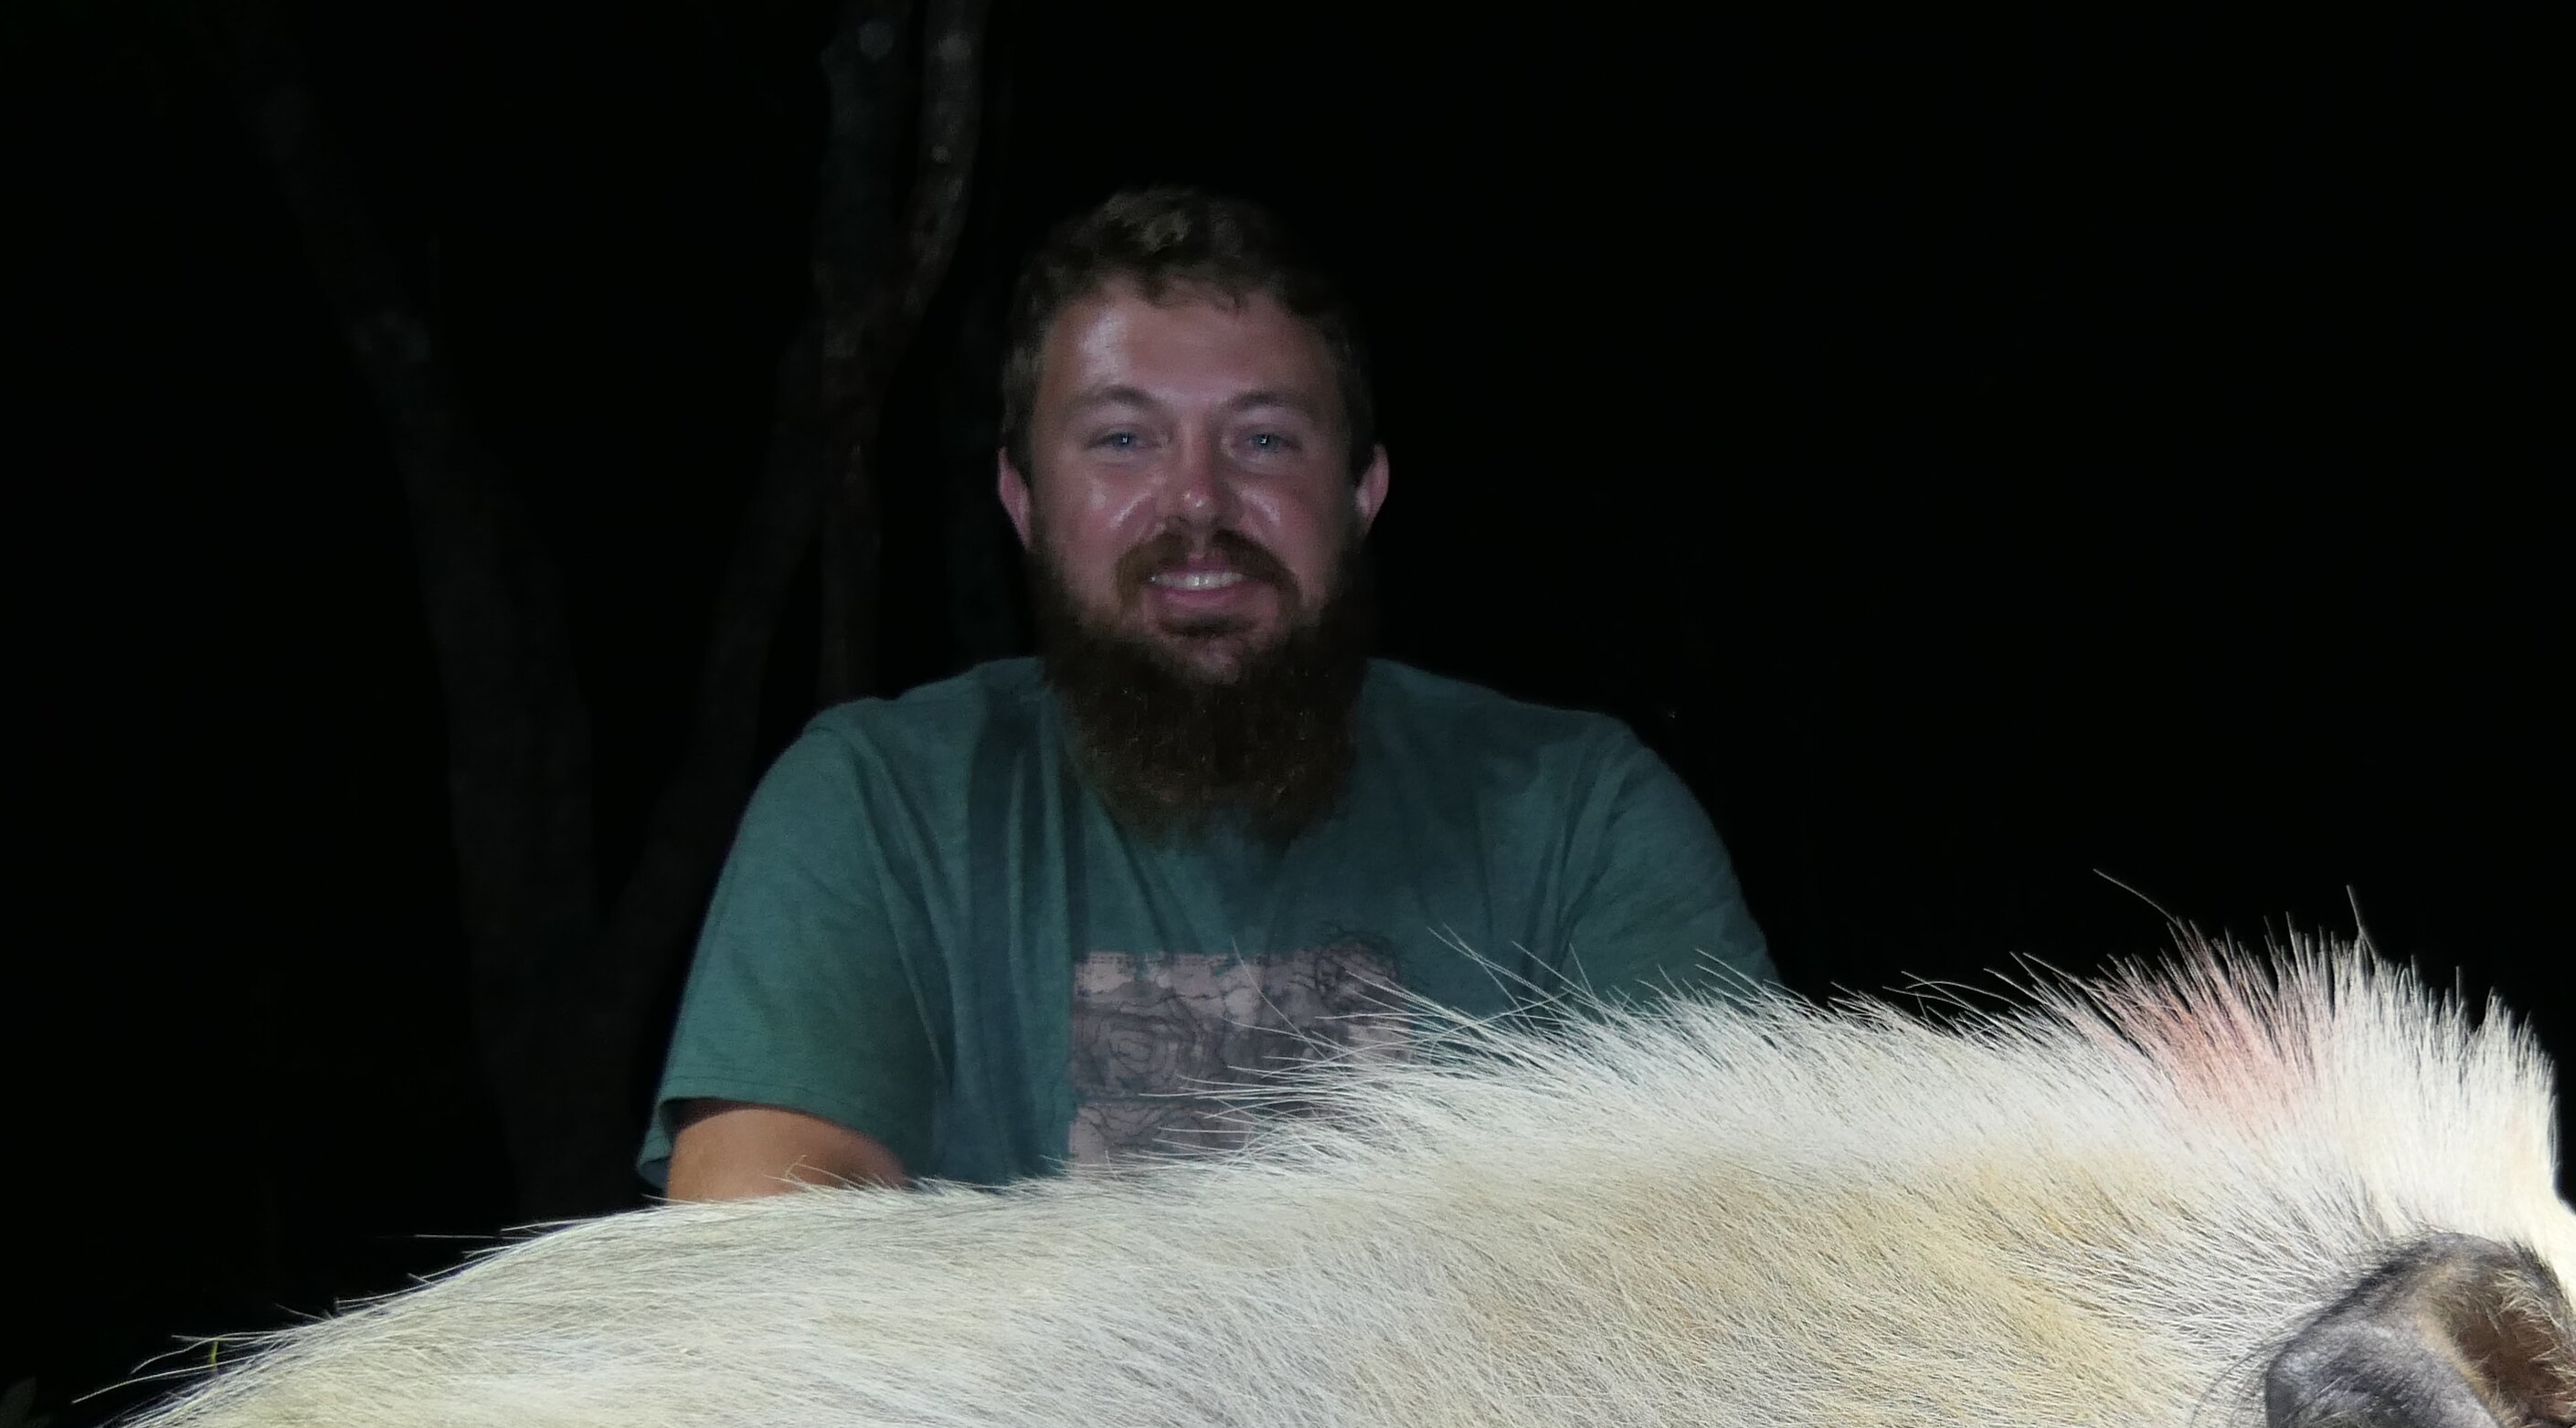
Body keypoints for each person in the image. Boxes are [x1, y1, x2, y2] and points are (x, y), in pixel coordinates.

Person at [650, 188, 1774, 1198]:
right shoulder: (874, 805)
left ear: (1362, 494)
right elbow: (757, 1253)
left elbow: (1723, 1229)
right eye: (1124, 438)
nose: (1197, 503)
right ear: (1025, 499)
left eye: (1266, 439)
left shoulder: (1580, 815)